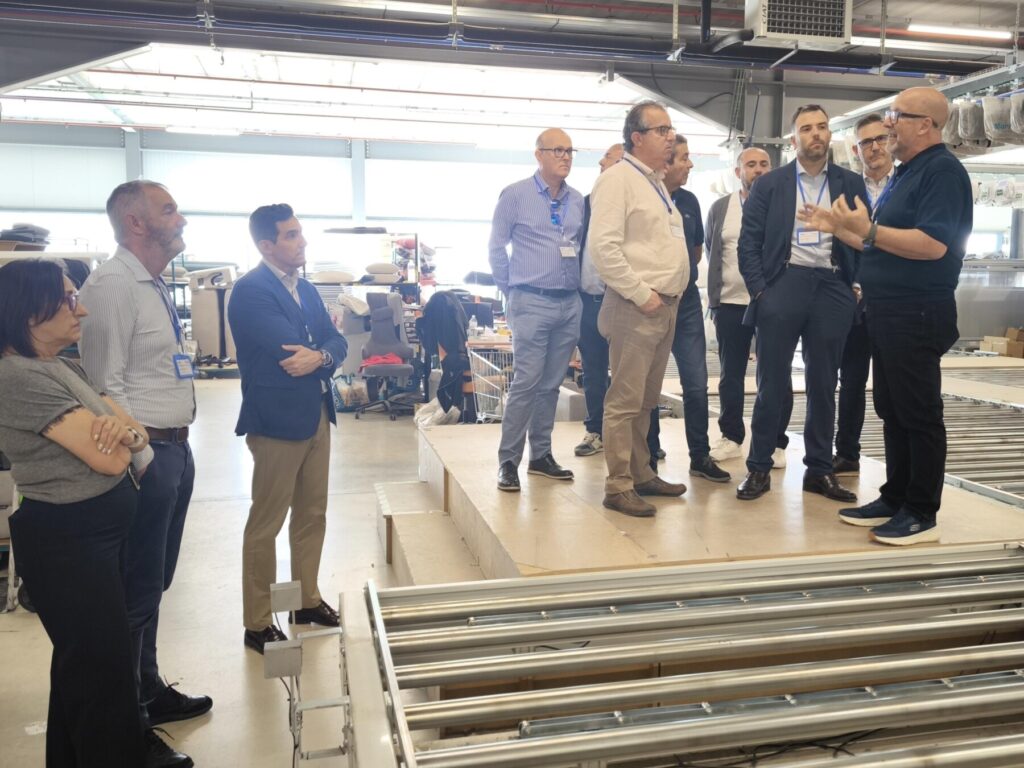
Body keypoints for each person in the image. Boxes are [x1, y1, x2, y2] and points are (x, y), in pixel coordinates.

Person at [798, 87, 972, 545]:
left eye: (897, 115)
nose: (888, 124)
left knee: (918, 412)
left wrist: (869, 229)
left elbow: (933, 245)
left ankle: (921, 511)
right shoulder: (906, 173)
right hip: (889, 310)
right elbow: (877, 242)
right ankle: (896, 497)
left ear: (925, 125)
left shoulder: (942, 172)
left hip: (918, 310)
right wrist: (838, 228)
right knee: (892, 409)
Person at [0, 260, 152, 767]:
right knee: (101, 677)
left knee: (84, 671)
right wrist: (124, 438)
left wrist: (126, 435)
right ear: (28, 311)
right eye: (67, 299)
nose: (80, 309)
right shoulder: (16, 377)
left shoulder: (65, 367)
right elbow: (111, 459)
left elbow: (135, 434)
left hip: (94, 540)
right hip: (67, 544)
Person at [80, 180, 207, 766]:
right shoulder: (112, 285)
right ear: (136, 223)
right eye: (168, 209)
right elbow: (103, 387)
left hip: (174, 449)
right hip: (146, 455)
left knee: (153, 584)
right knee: (133, 593)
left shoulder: (151, 283)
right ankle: (126, 725)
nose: (180, 218)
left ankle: (148, 689)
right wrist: (144, 460)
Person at [228, 204, 349, 653]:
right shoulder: (251, 291)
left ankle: (305, 601)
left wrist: (321, 356)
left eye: (300, 233)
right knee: (267, 522)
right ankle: (257, 622)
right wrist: (320, 352)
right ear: (266, 245)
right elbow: (289, 351)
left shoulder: (307, 289)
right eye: (291, 235)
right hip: (276, 420)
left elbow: (335, 342)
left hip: (316, 413)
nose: (302, 242)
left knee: (312, 513)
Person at [736, 104, 866, 503]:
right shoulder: (771, 184)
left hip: (831, 286)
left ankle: (819, 471)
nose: (816, 134)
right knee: (772, 383)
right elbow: (748, 242)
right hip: (784, 284)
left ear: (830, 135)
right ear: (794, 139)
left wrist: (853, 284)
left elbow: (864, 236)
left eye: (822, 127)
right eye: (807, 128)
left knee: (824, 384)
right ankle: (759, 467)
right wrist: (761, 291)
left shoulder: (849, 182)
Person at [589, 100, 689, 518]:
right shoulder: (618, 180)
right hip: (636, 307)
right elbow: (604, 249)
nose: (670, 137)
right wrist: (640, 293)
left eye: (670, 129)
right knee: (624, 401)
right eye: (662, 130)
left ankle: (641, 473)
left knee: (645, 400)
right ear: (637, 137)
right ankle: (618, 486)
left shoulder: (654, 182)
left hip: (663, 307)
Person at [488, 128, 585, 492]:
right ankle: (508, 461)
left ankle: (540, 456)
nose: (565, 157)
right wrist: (510, 289)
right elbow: (496, 248)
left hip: (569, 302)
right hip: (530, 299)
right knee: (527, 382)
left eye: (569, 151)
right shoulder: (515, 195)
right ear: (538, 154)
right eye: (557, 150)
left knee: (551, 385)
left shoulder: (578, 200)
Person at [647, 135, 730, 483]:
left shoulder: (690, 201)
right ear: (665, 163)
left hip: (687, 303)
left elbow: (697, 252)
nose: (690, 164)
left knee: (696, 384)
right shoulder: (644, 197)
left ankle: (700, 456)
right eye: (683, 158)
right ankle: (648, 459)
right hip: (651, 302)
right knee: (648, 386)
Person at [705, 148, 793, 467]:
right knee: (731, 374)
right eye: (751, 164)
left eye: (764, 164)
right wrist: (717, 296)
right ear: (738, 171)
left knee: (776, 373)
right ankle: (731, 437)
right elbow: (711, 249)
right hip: (730, 303)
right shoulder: (721, 208)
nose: (758, 170)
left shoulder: (785, 205)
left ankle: (775, 442)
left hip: (773, 302)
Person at [833, 113, 894, 476]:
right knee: (851, 381)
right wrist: (854, 284)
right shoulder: (846, 189)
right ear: (856, 150)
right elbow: (842, 243)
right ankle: (847, 453)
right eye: (866, 142)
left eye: (880, 139)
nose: (874, 147)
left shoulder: (904, 184)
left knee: (893, 388)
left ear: (891, 141)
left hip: (893, 300)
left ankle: (899, 466)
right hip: (854, 302)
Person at [574, 142, 624, 457]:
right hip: (588, 302)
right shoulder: (583, 205)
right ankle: (595, 431)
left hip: (622, 301)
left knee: (627, 373)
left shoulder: (632, 205)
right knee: (593, 371)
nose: (604, 164)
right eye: (606, 158)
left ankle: (640, 441)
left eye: (613, 160)